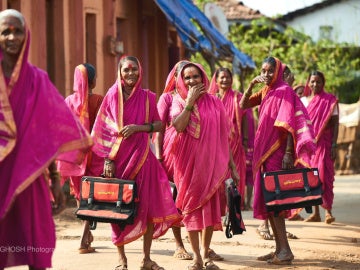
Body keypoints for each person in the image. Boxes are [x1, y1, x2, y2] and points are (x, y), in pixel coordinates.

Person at [0, 9, 93, 270]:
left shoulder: (37, 80)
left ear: (26, 35)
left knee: (38, 244)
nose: (11, 37)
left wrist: (54, 179)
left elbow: (50, 134)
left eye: (17, 31)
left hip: (31, 176)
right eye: (5, 31)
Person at [89, 56, 181, 270]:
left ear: (141, 73)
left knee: (147, 209)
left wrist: (138, 128)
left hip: (143, 160)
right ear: (119, 72)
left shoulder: (148, 97)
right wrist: (108, 160)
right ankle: (121, 259)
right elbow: (102, 129)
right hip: (118, 162)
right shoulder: (112, 96)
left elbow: (159, 125)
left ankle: (146, 259)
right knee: (117, 210)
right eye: (126, 70)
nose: (131, 74)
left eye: (135, 71)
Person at [240, 56, 316, 265]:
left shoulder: (285, 91)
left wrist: (289, 153)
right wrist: (252, 84)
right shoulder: (266, 90)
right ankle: (280, 248)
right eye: (263, 71)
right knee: (271, 201)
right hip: (265, 153)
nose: (265, 75)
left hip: (278, 153)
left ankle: (285, 251)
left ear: (279, 71)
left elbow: (289, 123)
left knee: (276, 202)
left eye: (269, 71)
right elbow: (243, 103)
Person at [169, 62, 239, 270]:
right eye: (187, 78)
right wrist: (189, 102)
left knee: (209, 208)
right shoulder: (178, 102)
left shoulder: (215, 103)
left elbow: (223, 137)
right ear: (181, 80)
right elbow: (179, 126)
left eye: (195, 77)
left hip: (210, 164)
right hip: (186, 166)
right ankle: (196, 258)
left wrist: (232, 166)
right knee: (190, 208)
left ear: (203, 79)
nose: (192, 81)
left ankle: (206, 254)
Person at [57, 63, 104, 253]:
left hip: (75, 154)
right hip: (95, 153)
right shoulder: (99, 100)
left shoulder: (68, 100)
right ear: (92, 81)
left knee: (79, 194)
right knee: (91, 194)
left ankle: (87, 233)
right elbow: (103, 127)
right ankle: (84, 238)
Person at [302, 70, 339, 224]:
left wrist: (334, 144)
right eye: (312, 81)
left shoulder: (330, 101)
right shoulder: (303, 101)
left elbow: (335, 123)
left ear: (323, 83)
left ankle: (328, 211)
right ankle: (316, 213)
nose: (315, 84)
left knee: (325, 176)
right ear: (308, 83)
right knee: (311, 178)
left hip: (324, 144)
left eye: (318, 81)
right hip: (309, 146)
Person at [209, 67, 247, 212]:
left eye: (228, 77)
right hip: (216, 144)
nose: (225, 80)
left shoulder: (238, 96)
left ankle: (232, 207)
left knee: (234, 174)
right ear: (216, 80)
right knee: (219, 175)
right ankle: (219, 207)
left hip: (235, 143)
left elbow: (244, 119)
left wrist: (245, 139)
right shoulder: (211, 98)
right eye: (222, 77)